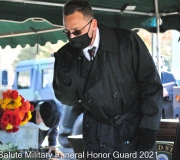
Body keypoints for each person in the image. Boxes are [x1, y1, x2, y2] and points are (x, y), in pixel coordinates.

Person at [53, 0, 163, 159]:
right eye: (67, 32)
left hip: (134, 130)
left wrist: (149, 126)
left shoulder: (126, 41)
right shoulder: (66, 55)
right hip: (97, 134)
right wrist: (63, 76)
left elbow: (151, 85)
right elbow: (68, 100)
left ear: (93, 24)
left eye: (76, 31)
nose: (72, 37)